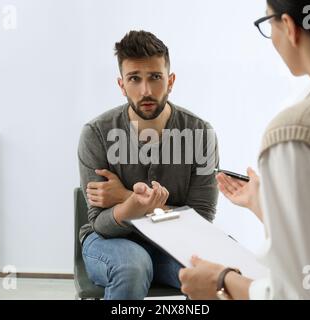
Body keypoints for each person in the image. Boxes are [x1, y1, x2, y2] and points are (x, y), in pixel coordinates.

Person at [179, 0, 310, 300]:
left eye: (268, 23)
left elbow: (306, 293)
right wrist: (268, 206)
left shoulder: (296, 132)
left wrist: (222, 282)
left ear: (289, 27)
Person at [78, 30, 219, 300]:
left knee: (219, 269)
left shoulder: (201, 134)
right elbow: (100, 224)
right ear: (122, 85)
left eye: (155, 77)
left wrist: (127, 199)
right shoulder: (96, 133)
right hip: (111, 242)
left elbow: (201, 221)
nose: (146, 91)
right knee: (133, 265)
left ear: (170, 81)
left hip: (174, 244)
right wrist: (145, 206)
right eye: (134, 79)